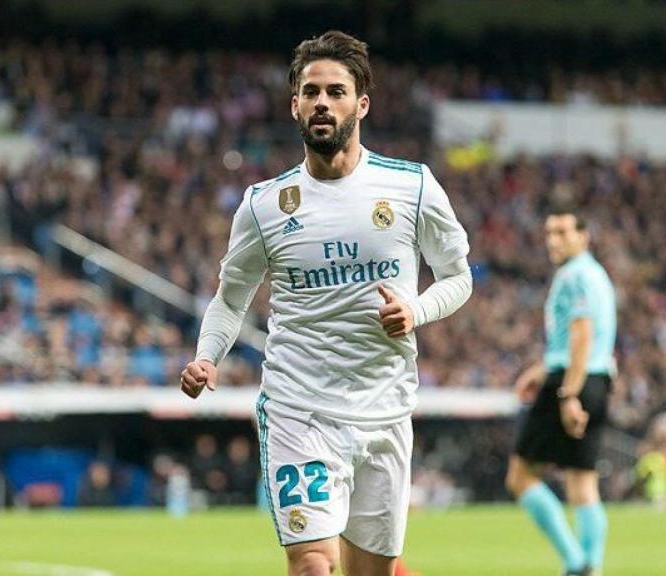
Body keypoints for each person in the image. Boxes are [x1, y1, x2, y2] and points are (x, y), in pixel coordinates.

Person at [180, 30, 472, 576]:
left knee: (372, 572)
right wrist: (207, 357)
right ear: (294, 105)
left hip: (385, 410)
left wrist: (418, 310)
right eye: (311, 92)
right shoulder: (264, 205)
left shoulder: (411, 188)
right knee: (314, 563)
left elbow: (458, 278)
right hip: (300, 408)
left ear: (361, 103)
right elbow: (230, 297)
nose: (322, 102)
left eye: (336, 91)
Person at [507, 207, 616, 576]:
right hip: (597, 379)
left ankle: (575, 563)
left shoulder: (574, 276)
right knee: (583, 485)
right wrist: (542, 370)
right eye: (550, 232)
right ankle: (592, 569)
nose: (554, 240)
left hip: (573, 382)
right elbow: (591, 340)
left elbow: (582, 334)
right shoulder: (596, 274)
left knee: (520, 476)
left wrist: (568, 392)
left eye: (563, 232)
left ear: (584, 236)